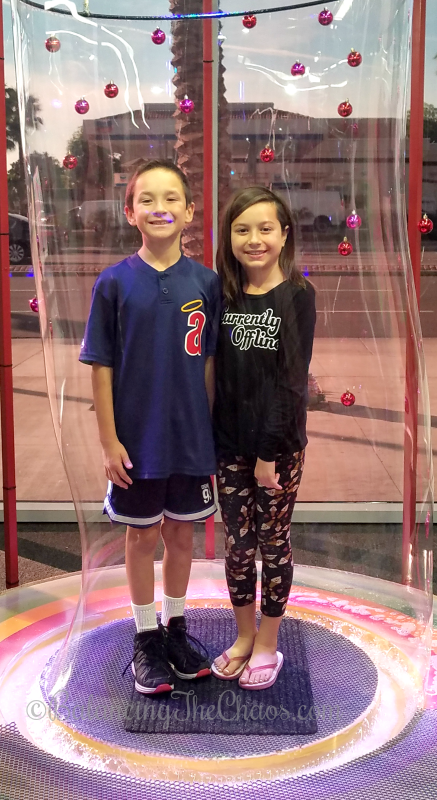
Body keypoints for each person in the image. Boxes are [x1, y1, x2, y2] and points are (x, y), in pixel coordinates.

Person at [79, 160, 220, 695]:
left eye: (171, 199)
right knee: (142, 536)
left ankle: (177, 627)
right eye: (147, 199)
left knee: (182, 533)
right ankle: (144, 636)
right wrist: (109, 440)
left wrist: (208, 432)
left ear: (189, 210)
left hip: (189, 441)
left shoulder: (206, 283)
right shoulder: (114, 283)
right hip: (136, 443)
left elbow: (208, 364)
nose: (159, 207)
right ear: (130, 210)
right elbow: (101, 366)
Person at [212, 186, 316, 690]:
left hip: (276, 450)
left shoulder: (298, 295)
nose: (254, 239)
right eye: (242, 229)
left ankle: (269, 641)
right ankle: (243, 637)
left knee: (272, 544)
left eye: (265, 228)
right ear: (229, 237)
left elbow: (291, 383)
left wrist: (268, 456)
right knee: (237, 545)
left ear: (284, 234)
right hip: (228, 446)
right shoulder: (222, 294)